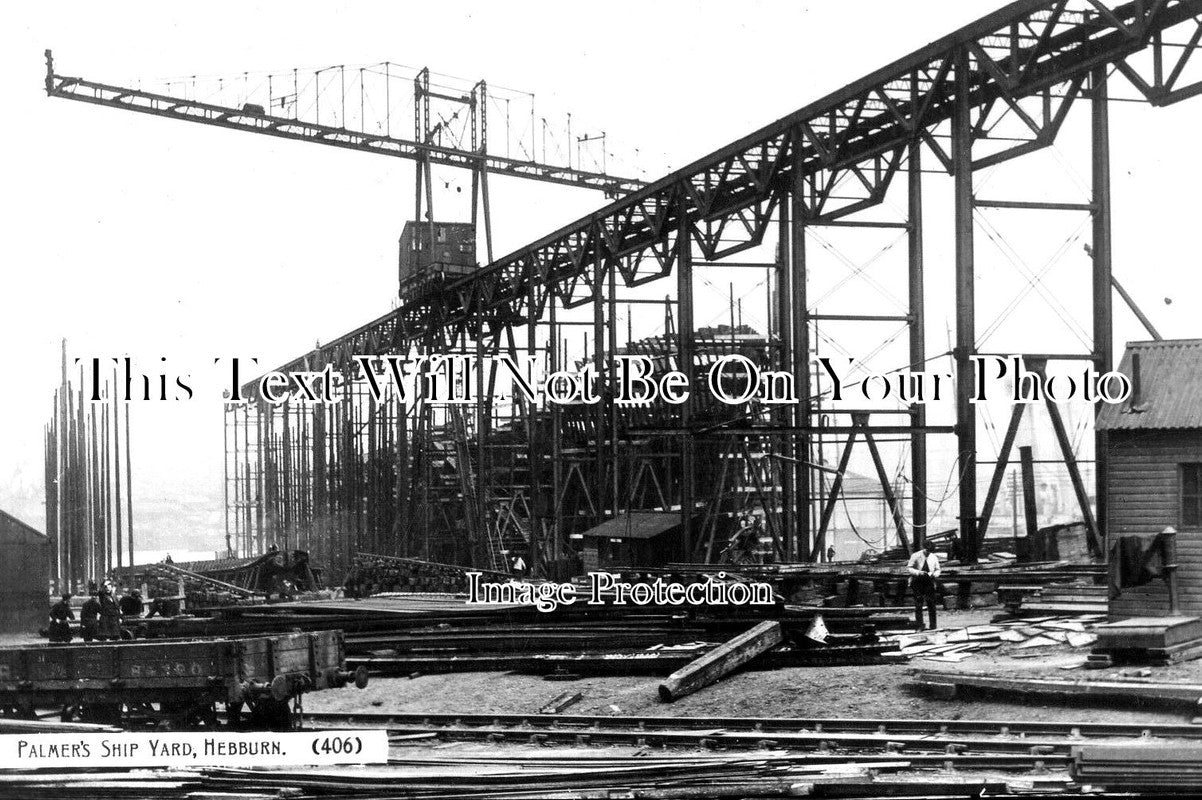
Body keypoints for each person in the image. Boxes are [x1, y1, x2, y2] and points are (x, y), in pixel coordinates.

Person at [907, 544, 941, 631]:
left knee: (931, 604)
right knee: (919, 604)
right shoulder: (915, 555)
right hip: (918, 581)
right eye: (927, 551)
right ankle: (919, 626)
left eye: (930, 552)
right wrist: (918, 572)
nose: (928, 553)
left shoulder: (933, 557)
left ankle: (933, 626)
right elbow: (909, 568)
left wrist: (935, 574)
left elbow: (938, 569)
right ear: (924, 548)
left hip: (929, 582)